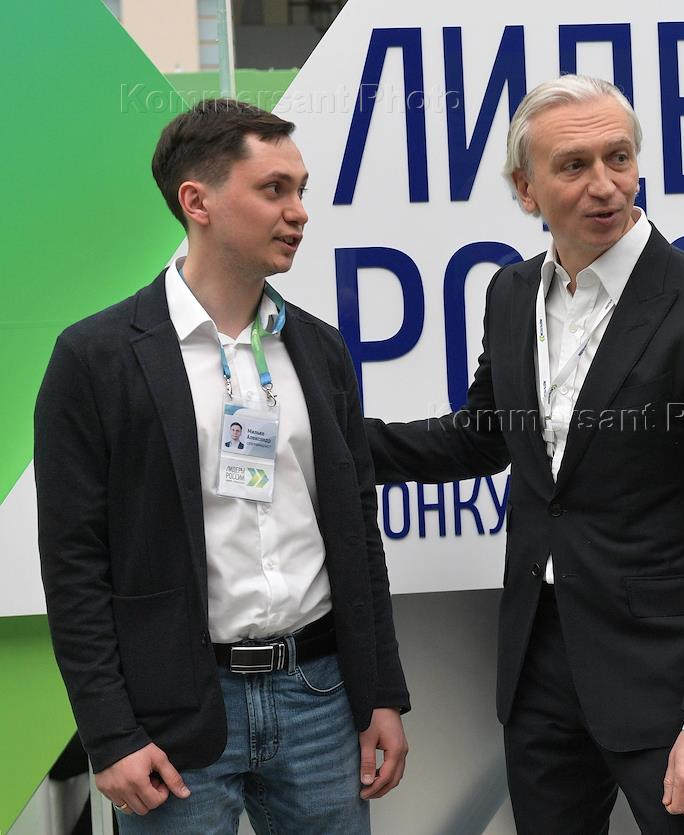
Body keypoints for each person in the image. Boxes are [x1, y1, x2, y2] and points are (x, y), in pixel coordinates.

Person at [366, 75, 684, 832]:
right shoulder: (510, 294)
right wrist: (332, 441)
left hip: (666, 681)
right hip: (540, 671)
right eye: (573, 165)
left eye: (618, 158)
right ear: (525, 189)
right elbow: (484, 434)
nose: (605, 185)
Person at [35, 99, 409, 833]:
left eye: (301, 189)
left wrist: (382, 694)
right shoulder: (95, 357)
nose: (299, 211)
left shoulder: (320, 349)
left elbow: (358, 533)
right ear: (196, 202)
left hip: (321, 699)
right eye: (273, 189)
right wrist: (109, 733)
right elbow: (74, 565)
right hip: (174, 715)